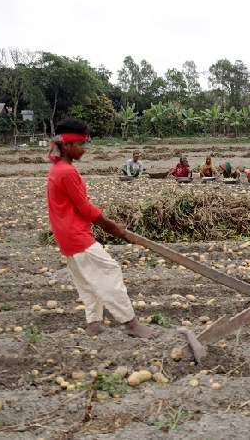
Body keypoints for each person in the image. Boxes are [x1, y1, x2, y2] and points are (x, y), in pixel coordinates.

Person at [46, 118, 157, 339]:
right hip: (77, 236)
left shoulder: (57, 169)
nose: (84, 149)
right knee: (109, 272)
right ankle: (131, 323)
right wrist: (112, 226)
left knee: (87, 282)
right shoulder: (67, 172)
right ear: (66, 145)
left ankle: (94, 324)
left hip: (65, 237)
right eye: (81, 144)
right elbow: (85, 208)